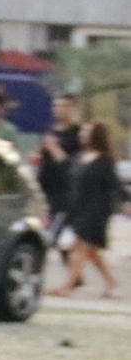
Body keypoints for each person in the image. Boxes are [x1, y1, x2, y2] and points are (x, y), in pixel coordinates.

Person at [54, 121, 123, 298]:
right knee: (90, 251)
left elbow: (115, 184)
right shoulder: (79, 157)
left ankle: (67, 286)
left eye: (87, 131)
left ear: (96, 135)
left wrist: (125, 202)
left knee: (79, 245)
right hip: (78, 209)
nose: (82, 133)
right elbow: (69, 176)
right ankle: (111, 282)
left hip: (97, 209)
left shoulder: (104, 160)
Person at [36, 91, 84, 213]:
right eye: (56, 106)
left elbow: (73, 164)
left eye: (64, 106)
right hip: (46, 188)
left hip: (65, 192)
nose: (59, 110)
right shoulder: (48, 131)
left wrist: (54, 148)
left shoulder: (78, 134)